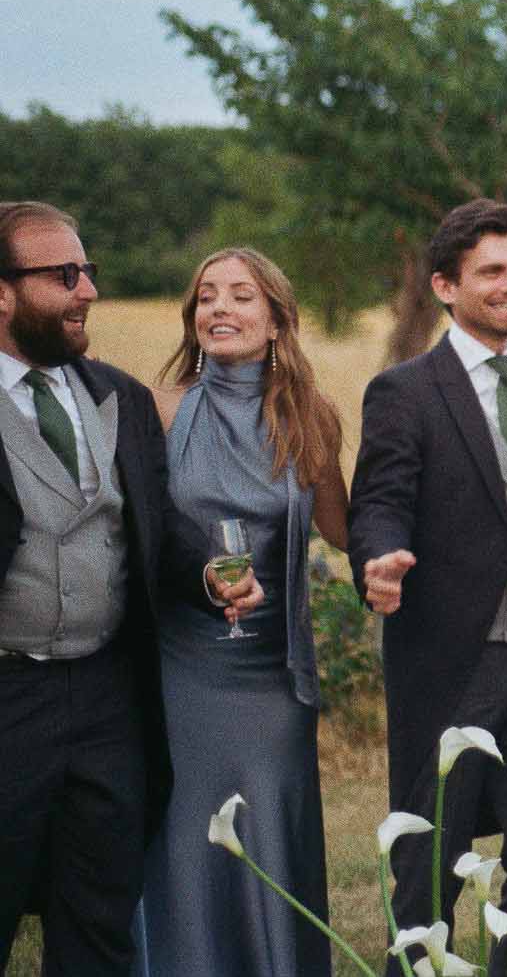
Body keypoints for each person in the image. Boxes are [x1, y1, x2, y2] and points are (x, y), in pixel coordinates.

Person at [0, 201, 259, 976]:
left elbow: (158, 525)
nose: (87, 291)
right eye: (63, 275)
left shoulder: (120, 395)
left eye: (88, 272)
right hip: (7, 699)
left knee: (100, 924)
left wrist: (207, 573)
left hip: (110, 698)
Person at [347, 199, 507, 977]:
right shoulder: (405, 390)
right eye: (493, 272)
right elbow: (378, 501)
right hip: (450, 664)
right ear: (446, 286)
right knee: (429, 864)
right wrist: (378, 560)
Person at [135, 248, 349, 977]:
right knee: (187, 841)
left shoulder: (310, 417)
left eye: (241, 296)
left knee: (264, 837)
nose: (219, 309)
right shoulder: (160, 409)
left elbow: (348, 532)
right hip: (180, 667)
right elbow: (140, 535)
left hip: (270, 678)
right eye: (205, 297)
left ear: (276, 320)